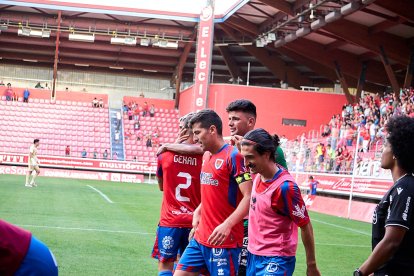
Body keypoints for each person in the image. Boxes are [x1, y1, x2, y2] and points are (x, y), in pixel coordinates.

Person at [175, 109, 252, 276]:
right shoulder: (207, 155)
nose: (194, 138)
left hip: (224, 241)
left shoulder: (234, 156)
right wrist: (198, 211)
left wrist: (227, 225)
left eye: (197, 132)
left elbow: (249, 196)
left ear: (212, 130)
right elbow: (214, 191)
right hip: (201, 237)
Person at [240, 128, 320, 276]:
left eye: (250, 157)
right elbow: (239, 176)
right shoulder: (257, 174)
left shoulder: (285, 188)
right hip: (253, 254)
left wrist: (311, 265)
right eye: (244, 157)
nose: (245, 164)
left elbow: (305, 225)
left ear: (266, 154)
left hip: (277, 258)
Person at [356, 116, 414, 276]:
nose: (382, 150)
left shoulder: (405, 188)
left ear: (396, 152)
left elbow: (391, 242)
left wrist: (360, 273)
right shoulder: (400, 187)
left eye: (386, 146)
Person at [152, 113, 202, 276]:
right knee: (188, 267)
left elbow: (162, 187)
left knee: (166, 265)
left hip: (170, 220)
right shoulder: (205, 156)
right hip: (195, 221)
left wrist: (170, 145)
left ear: (185, 131)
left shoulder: (164, 155)